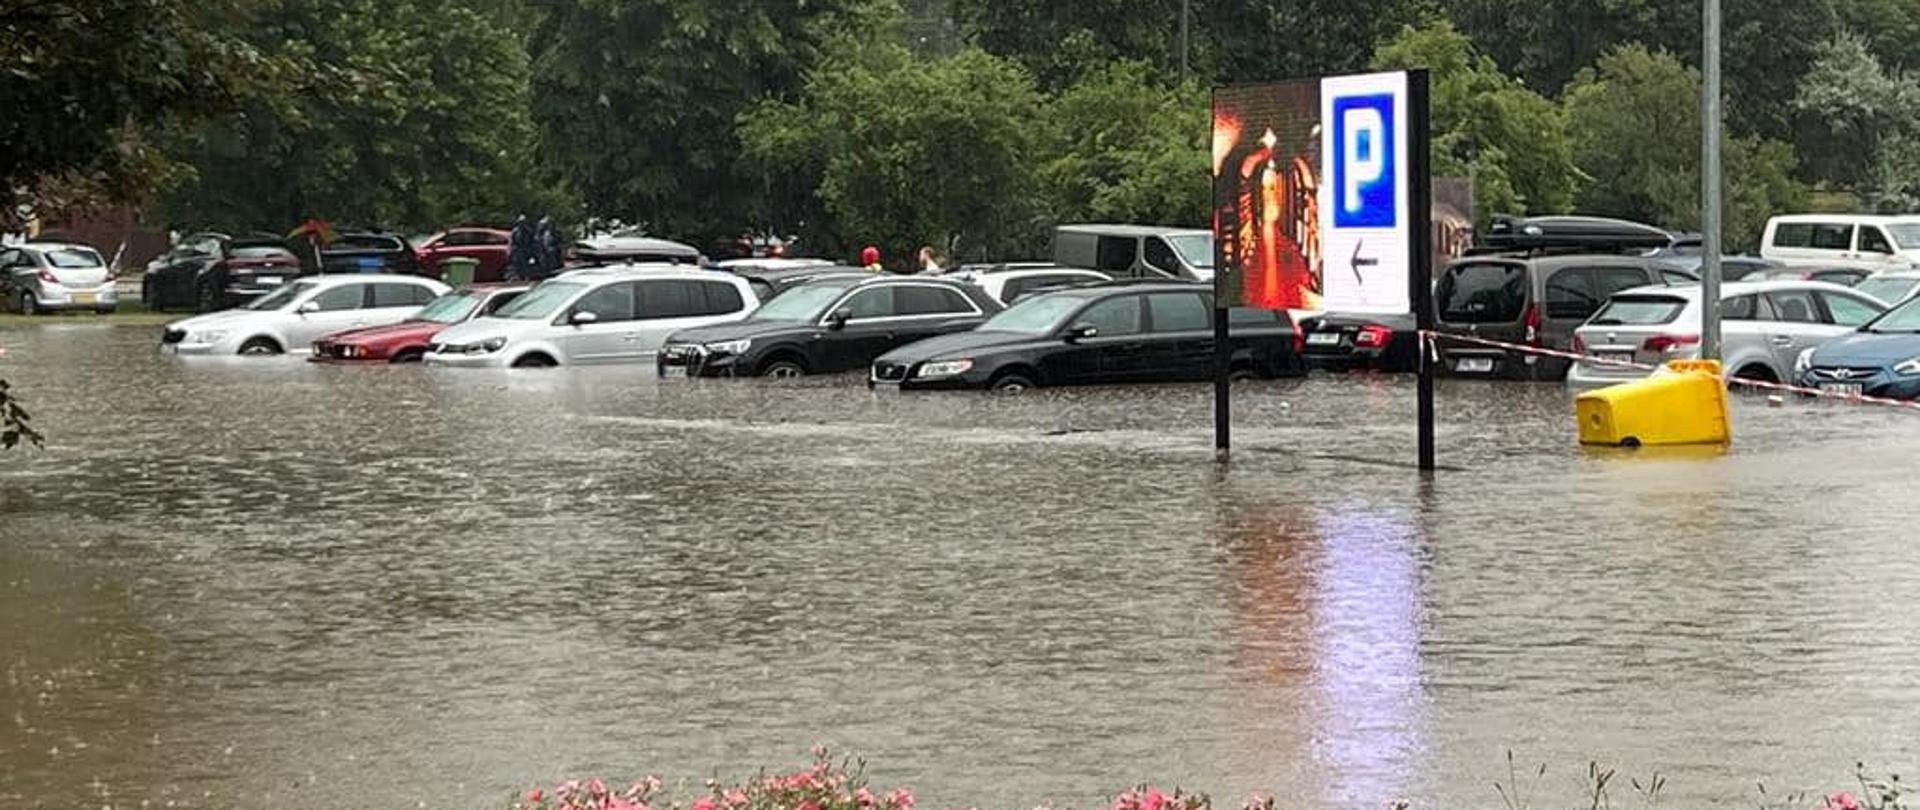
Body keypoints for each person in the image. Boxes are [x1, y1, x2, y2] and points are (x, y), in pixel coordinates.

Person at [505, 215, 533, 281]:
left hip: (526, 251)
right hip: (517, 251)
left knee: (526, 266)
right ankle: (517, 277)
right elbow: (511, 242)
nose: (522, 224)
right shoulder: (515, 231)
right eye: (520, 222)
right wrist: (510, 251)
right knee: (516, 266)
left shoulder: (528, 231)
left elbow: (532, 242)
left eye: (523, 222)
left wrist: (531, 251)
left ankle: (526, 277)